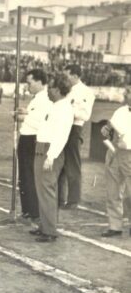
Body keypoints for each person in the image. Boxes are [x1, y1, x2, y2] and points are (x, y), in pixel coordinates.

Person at [30, 73, 74, 242]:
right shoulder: (55, 106)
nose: (47, 91)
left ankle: (49, 231)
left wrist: (51, 156)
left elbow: (61, 136)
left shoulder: (64, 109)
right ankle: (44, 225)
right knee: (42, 190)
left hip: (50, 152)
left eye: (50, 88)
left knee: (47, 191)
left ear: (57, 89)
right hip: (42, 149)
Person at [58, 64, 95, 209]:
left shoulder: (86, 92)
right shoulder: (65, 91)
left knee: (72, 164)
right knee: (59, 163)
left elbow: (85, 115)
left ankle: (73, 200)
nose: (65, 79)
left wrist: (68, 111)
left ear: (75, 75)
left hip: (74, 128)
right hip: (61, 127)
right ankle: (59, 199)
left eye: (67, 76)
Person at [16, 69, 52, 221]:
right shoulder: (36, 99)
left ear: (39, 82)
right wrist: (24, 113)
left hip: (32, 139)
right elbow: (31, 116)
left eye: (29, 82)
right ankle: (28, 209)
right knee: (24, 176)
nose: (27, 86)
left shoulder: (45, 101)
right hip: (25, 138)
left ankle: (34, 211)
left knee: (30, 175)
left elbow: (41, 123)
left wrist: (24, 116)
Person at [100, 85, 131, 237]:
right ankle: (115, 226)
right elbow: (110, 127)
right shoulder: (121, 111)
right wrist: (106, 130)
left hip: (130, 154)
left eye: (129, 93)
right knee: (113, 191)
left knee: (129, 194)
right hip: (114, 152)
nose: (126, 95)